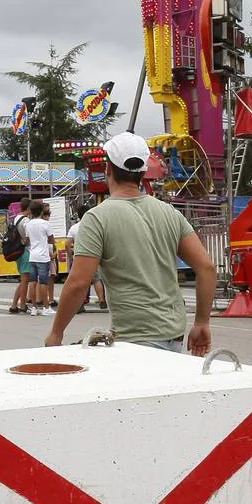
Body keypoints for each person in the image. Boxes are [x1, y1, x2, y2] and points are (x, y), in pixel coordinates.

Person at [46, 132, 214, 354]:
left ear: (108, 169)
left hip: (135, 339)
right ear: (144, 172)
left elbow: (78, 283)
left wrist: (56, 333)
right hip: (174, 335)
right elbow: (206, 268)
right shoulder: (169, 213)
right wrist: (201, 323)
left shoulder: (97, 218)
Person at [66, 209, 107, 313]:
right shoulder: (93, 225)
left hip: (79, 257)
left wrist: (70, 256)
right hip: (94, 256)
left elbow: (67, 244)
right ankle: (102, 300)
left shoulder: (74, 227)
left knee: (81, 282)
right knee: (97, 279)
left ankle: (80, 304)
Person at [24, 201, 55, 316]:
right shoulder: (45, 224)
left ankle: (34, 308)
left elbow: (27, 240)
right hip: (43, 256)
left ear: (31, 211)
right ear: (42, 211)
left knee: (32, 282)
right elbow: (51, 239)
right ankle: (46, 307)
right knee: (43, 282)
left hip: (32, 256)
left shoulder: (29, 224)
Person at [8, 197, 34, 314]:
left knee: (23, 280)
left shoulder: (16, 218)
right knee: (25, 280)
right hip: (25, 252)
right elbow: (28, 238)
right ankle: (22, 305)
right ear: (28, 208)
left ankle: (14, 305)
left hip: (18, 251)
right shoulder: (26, 221)